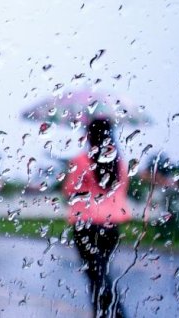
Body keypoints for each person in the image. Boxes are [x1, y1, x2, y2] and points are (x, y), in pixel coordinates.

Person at [63, 118, 130, 318]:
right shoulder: (120, 163)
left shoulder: (81, 161)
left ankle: (113, 314)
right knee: (101, 274)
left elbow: (69, 190)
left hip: (86, 226)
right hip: (111, 227)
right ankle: (107, 313)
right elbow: (122, 191)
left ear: (90, 136)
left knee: (96, 277)